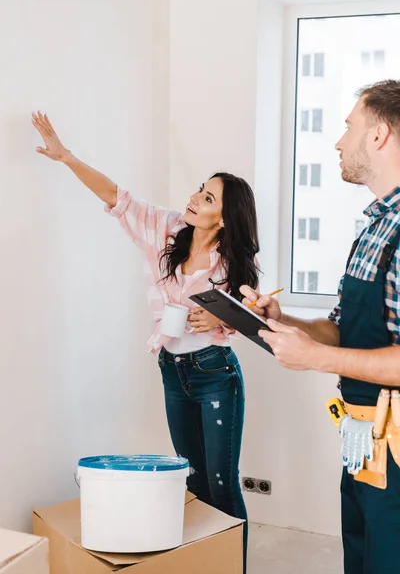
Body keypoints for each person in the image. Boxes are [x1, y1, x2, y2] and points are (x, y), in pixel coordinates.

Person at [32, 111, 261, 572]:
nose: (196, 197)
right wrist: (66, 157)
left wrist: (214, 317)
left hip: (216, 373)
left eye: (208, 196)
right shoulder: (168, 230)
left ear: (225, 215)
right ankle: (204, 561)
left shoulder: (233, 263)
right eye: (200, 188)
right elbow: (118, 198)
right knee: (191, 481)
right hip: (172, 371)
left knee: (222, 482)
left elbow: (250, 320)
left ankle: (233, 565)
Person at [241, 79, 400, 574]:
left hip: (396, 448)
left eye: (348, 126)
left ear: (378, 135)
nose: (337, 141)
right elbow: (341, 327)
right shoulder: (375, 226)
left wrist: (314, 359)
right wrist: (281, 319)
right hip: (364, 441)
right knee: (362, 555)